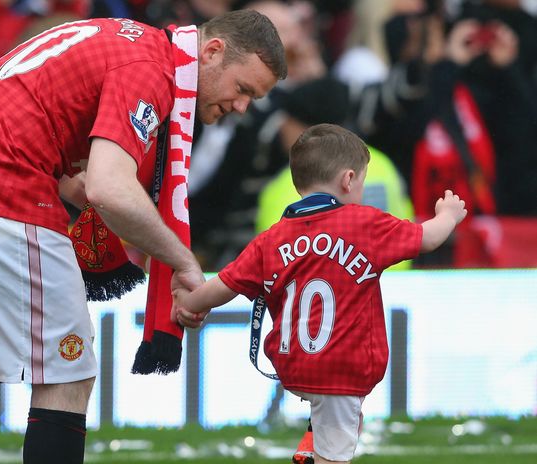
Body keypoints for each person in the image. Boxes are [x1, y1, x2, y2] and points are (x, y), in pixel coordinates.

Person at [0, 10, 287, 464]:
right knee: (68, 371)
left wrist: (98, 202)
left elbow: (62, 155)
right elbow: (109, 187)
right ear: (213, 51)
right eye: (243, 89)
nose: (242, 106)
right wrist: (182, 261)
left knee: (38, 342)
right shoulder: (150, 68)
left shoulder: (131, 42)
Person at [173, 124, 467, 464]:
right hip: (342, 369)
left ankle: (310, 450)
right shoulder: (364, 224)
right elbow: (427, 238)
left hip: (294, 366)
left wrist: (189, 304)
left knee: (335, 423)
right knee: (336, 456)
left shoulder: (272, 238)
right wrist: (448, 215)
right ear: (348, 180)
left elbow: (225, 284)